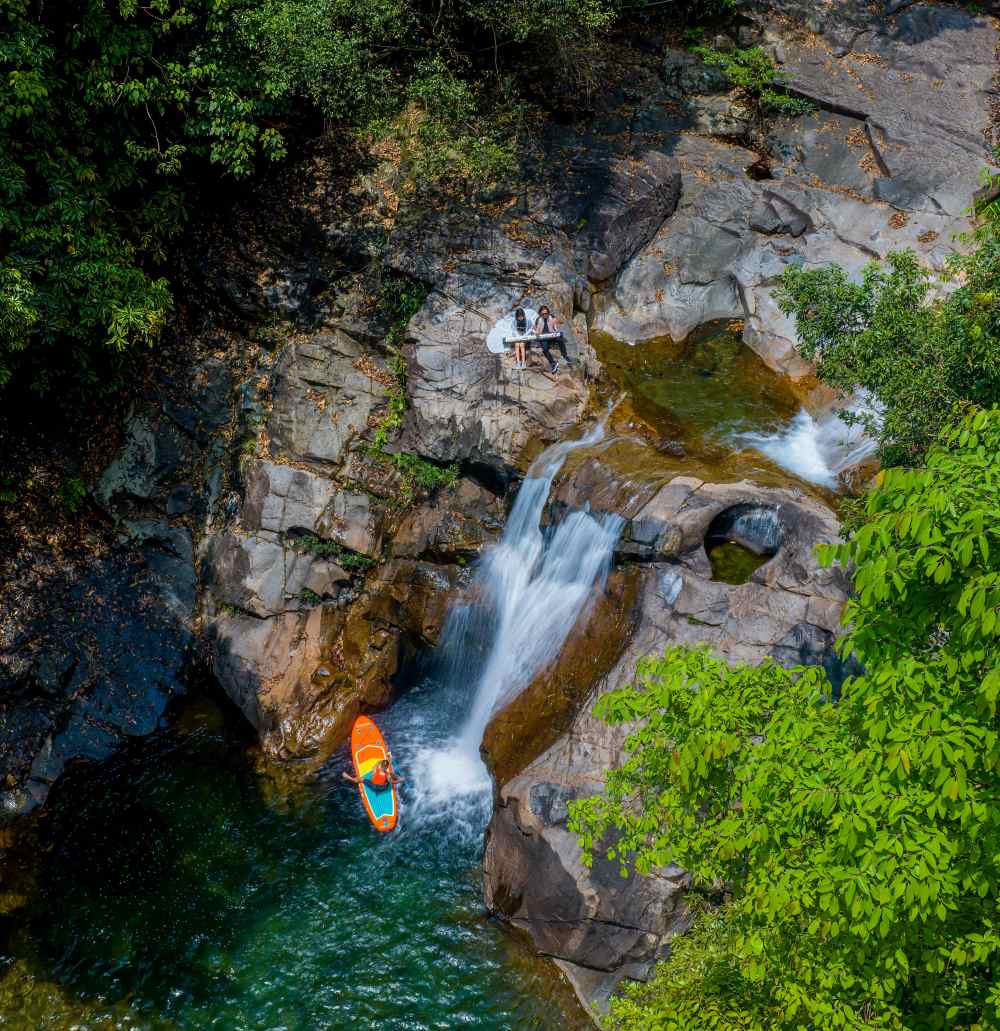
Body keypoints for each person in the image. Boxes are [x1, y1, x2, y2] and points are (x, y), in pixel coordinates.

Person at [533, 306, 571, 373]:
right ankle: (553, 363)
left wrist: (555, 324)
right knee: (544, 349)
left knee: (560, 339)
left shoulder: (551, 317)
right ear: (540, 314)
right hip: (543, 337)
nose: (545, 315)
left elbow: (556, 326)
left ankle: (565, 355)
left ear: (548, 313)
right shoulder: (538, 320)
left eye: (546, 313)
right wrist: (536, 332)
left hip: (551, 335)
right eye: (543, 314)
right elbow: (535, 330)